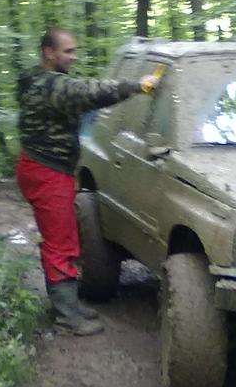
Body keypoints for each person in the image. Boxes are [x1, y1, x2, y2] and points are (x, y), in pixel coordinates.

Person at [16, 28, 159, 335]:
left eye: (74, 50)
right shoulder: (53, 85)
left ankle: (69, 304)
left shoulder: (35, 79)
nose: (74, 56)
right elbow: (90, 92)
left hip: (42, 166)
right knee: (60, 242)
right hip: (47, 170)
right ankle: (67, 318)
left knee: (65, 237)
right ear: (49, 53)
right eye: (68, 51)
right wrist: (139, 85)